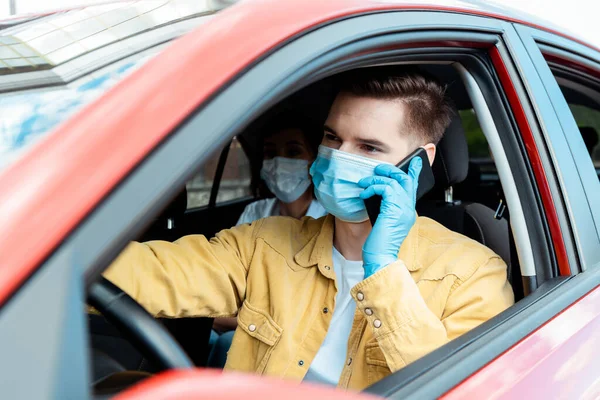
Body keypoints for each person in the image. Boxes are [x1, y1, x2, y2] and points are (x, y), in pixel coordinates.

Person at [104, 67, 514, 390]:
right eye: (332, 138)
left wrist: (383, 270)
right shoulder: (265, 242)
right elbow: (151, 273)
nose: (337, 159)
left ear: (418, 163)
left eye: (368, 147)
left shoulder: (474, 274)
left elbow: (459, 388)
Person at [208, 116, 327, 367]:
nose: (279, 162)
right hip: (242, 320)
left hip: (294, 339)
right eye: (270, 154)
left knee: (225, 343)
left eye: (293, 151)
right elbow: (226, 281)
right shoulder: (255, 213)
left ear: (314, 161)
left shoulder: (330, 219)